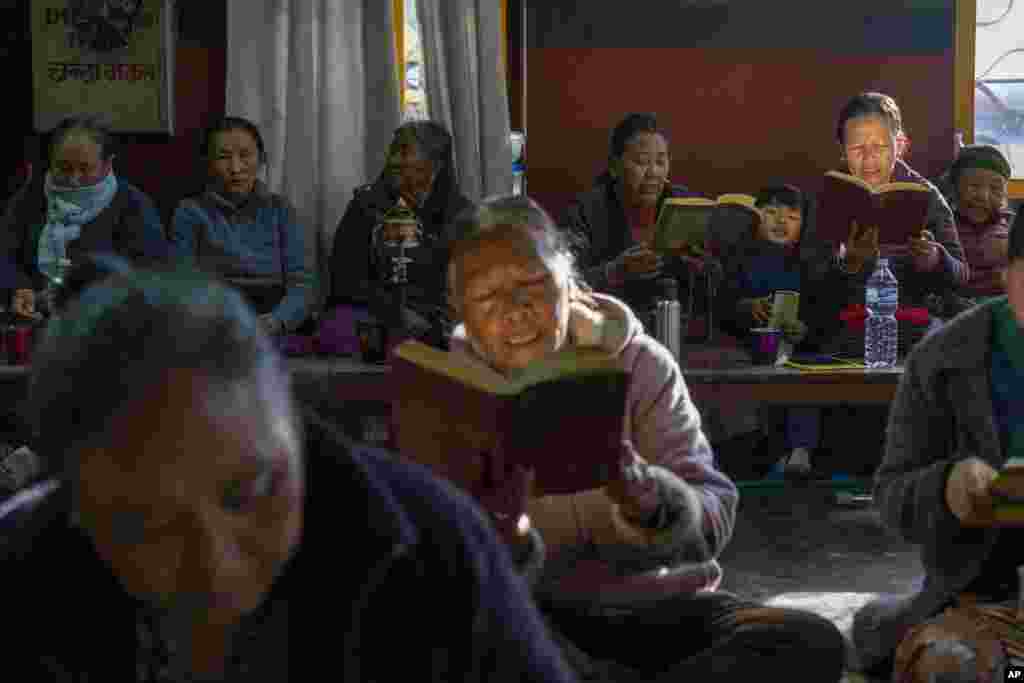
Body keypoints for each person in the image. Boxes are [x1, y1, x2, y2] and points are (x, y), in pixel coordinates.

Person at [1, 264, 577, 682]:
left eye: (251, 491)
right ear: (75, 504)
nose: (217, 565)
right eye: (144, 524)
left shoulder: (428, 544)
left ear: (296, 430)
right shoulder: (22, 575)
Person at [445, 195, 846, 682]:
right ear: (460, 307)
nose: (515, 312)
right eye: (488, 296)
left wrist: (652, 500)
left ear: (569, 281)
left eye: (532, 284)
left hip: (662, 608)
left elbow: (714, 511)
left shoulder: (640, 363)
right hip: (534, 612)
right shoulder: (450, 390)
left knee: (805, 640)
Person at [850, 209, 1024, 682]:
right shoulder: (946, 358)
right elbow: (892, 495)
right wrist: (946, 487)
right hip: (988, 600)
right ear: (1009, 276)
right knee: (955, 668)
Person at [802, 92, 969, 351]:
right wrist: (849, 264)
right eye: (857, 149)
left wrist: (935, 259)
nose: (868, 159)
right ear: (843, 151)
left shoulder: (926, 196)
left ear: (899, 145)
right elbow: (808, 279)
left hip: (911, 324)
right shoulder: (829, 196)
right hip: (844, 325)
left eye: (879, 147)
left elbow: (960, 276)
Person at [561, 112, 719, 332]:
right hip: (606, 334)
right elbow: (562, 285)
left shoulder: (684, 205)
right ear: (614, 166)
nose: (653, 173)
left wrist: (702, 269)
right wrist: (614, 271)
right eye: (642, 162)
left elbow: (721, 284)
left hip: (678, 334)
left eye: (661, 161)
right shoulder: (585, 211)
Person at [0, 114, 167, 319]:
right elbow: (5, 255)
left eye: (85, 169)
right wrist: (19, 289)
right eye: (64, 168)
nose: (74, 180)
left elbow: (150, 274)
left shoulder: (134, 205)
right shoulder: (29, 199)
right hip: (35, 318)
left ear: (107, 165)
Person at [328, 120, 472, 348]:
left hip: (438, 322)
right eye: (393, 151)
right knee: (342, 327)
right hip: (375, 317)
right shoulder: (365, 207)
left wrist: (435, 321)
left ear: (435, 163)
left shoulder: (462, 217)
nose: (394, 160)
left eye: (404, 152)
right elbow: (345, 281)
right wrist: (396, 312)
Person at [169, 116, 315, 336]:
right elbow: (181, 283)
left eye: (245, 155)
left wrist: (275, 322)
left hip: (275, 325)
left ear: (262, 159)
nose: (235, 168)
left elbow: (303, 286)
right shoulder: (189, 212)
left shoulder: (282, 211)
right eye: (223, 157)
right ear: (208, 162)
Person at [717, 184, 821, 476]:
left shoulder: (808, 263)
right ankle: (770, 454)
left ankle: (800, 450)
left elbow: (820, 313)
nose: (780, 221)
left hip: (793, 348)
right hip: (748, 345)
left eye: (791, 216)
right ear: (756, 218)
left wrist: (804, 328)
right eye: (771, 213)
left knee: (804, 371)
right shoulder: (739, 260)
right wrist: (745, 307)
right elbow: (723, 306)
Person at [947, 144, 1013, 303]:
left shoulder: (1014, 227)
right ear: (954, 188)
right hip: (955, 310)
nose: (983, 196)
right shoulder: (943, 226)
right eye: (974, 186)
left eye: (996, 188)